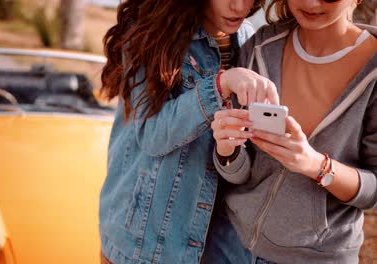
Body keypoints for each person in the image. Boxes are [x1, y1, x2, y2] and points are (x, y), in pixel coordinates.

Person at [97, 0, 283, 263]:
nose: (238, 6)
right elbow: (152, 135)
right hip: (142, 245)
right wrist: (219, 85)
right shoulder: (150, 30)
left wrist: (230, 150)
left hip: (209, 247)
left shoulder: (249, 40)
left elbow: (235, 164)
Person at [211, 0, 377, 263]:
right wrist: (226, 151)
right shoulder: (261, 46)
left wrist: (316, 166)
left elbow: (373, 192)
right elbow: (238, 173)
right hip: (227, 244)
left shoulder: (373, 70)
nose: (311, 2)